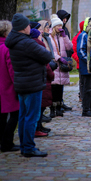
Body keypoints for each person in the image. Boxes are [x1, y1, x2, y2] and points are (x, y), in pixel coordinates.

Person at [5, 14, 52, 157]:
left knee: (24, 116)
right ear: (23, 28)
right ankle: (28, 147)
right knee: (31, 116)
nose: (29, 27)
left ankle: (26, 146)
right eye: (28, 25)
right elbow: (47, 56)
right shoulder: (26, 42)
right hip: (32, 84)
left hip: (22, 83)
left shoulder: (14, 41)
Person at [0, 20, 20, 152]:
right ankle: (7, 143)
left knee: (1, 117)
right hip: (7, 87)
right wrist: (18, 85)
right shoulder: (7, 48)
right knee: (15, 115)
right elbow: (12, 69)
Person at [30, 28, 54, 137]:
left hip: (38, 79)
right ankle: (36, 128)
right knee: (38, 107)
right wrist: (51, 74)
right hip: (40, 79)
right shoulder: (39, 46)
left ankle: (38, 127)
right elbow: (46, 63)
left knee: (38, 107)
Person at [49, 14, 73, 117]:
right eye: (58, 26)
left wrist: (65, 36)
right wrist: (59, 58)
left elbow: (69, 47)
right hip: (55, 65)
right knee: (53, 88)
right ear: (54, 26)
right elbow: (50, 50)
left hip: (62, 67)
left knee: (60, 88)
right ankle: (52, 109)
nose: (60, 27)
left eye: (61, 25)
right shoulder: (49, 37)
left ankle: (59, 108)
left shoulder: (62, 36)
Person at [77, 19, 91, 117]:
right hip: (85, 68)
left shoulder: (89, 34)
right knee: (87, 89)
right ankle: (86, 109)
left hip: (90, 67)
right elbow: (80, 51)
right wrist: (89, 61)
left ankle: (90, 108)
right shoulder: (83, 35)